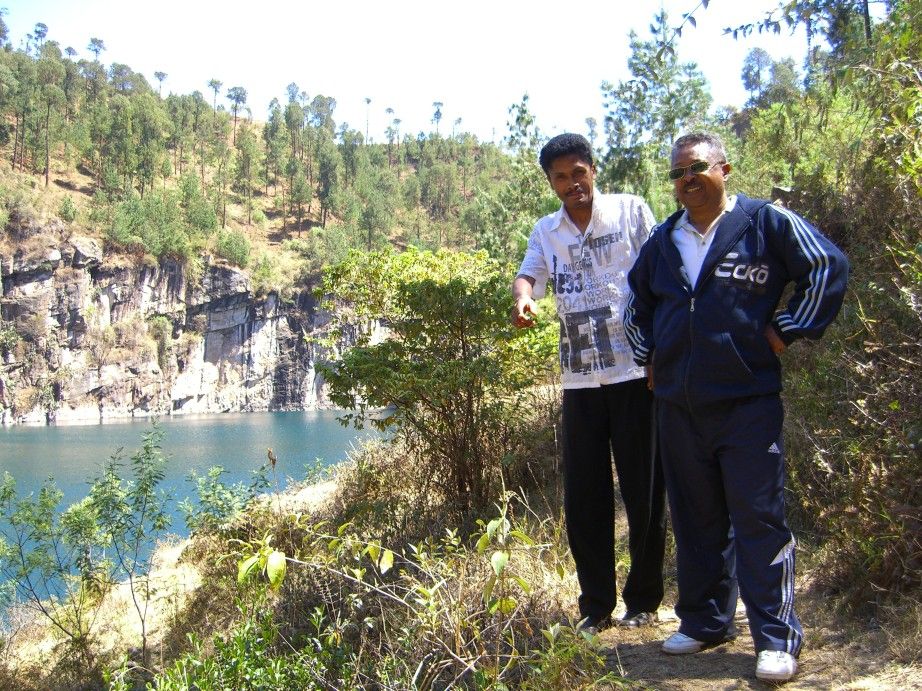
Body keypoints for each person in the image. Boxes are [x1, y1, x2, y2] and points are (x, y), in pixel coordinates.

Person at [623, 132, 849, 682]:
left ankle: (776, 638)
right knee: (696, 520)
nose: (687, 179)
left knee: (759, 519)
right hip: (678, 408)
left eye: (697, 167)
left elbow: (827, 266)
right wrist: (650, 356)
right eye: (678, 172)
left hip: (747, 404)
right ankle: (705, 622)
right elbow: (634, 305)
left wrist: (786, 328)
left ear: (724, 168)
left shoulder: (764, 222)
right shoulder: (663, 240)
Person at [512, 133, 666, 633]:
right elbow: (528, 274)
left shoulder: (631, 211)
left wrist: (659, 349)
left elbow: (662, 272)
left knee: (644, 491)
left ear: (592, 170)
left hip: (635, 371)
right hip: (580, 380)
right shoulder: (546, 230)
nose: (571, 183)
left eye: (578, 172)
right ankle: (595, 606)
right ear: (551, 183)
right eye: (560, 177)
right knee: (584, 497)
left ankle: (643, 600)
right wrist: (524, 298)